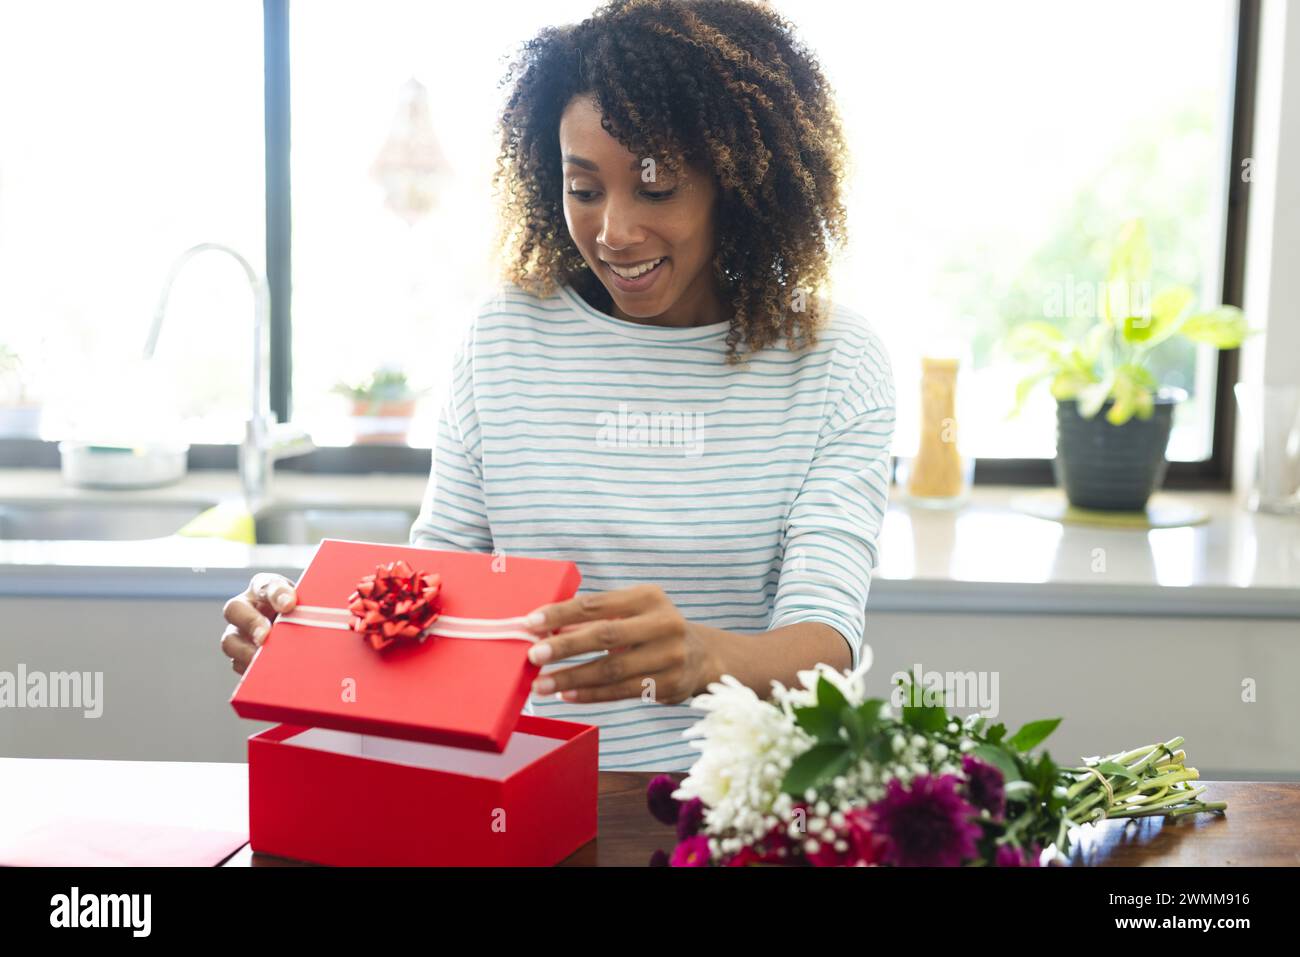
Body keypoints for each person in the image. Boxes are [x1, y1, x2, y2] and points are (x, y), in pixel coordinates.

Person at [222, 0, 895, 772]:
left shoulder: (834, 360)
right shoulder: (504, 337)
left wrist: (702, 657)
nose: (613, 229)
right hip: (522, 792)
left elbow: (825, 647)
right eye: (584, 188)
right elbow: (438, 599)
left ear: (737, 183)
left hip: (733, 810)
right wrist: (303, 631)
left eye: (656, 187)